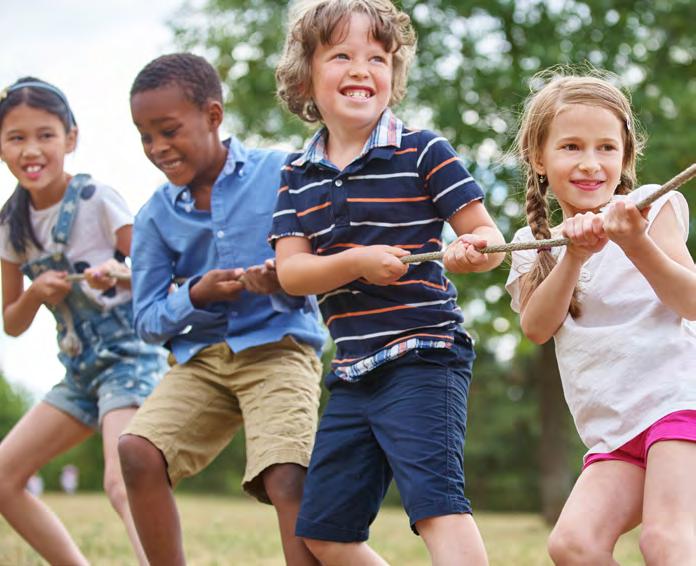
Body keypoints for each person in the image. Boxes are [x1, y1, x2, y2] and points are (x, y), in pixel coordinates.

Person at [271, 1, 506, 564]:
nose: (361, 69)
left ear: (393, 76)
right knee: (326, 532)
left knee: (435, 507)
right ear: (307, 76)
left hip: (425, 354)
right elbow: (292, 272)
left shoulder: (424, 150)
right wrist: (356, 262)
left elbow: (486, 240)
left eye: (377, 58)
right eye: (342, 55)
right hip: (353, 372)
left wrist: (473, 253)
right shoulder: (296, 176)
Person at [117, 52, 326, 566]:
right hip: (202, 360)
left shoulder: (283, 172)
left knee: (287, 473)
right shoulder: (154, 217)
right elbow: (145, 319)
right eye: (145, 136)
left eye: (168, 130)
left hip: (279, 348)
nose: (158, 148)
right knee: (137, 452)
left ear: (213, 116)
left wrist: (283, 278)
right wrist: (196, 294)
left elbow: (323, 264)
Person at [505, 72, 696, 565]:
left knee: (666, 540)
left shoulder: (651, 211)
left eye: (607, 148)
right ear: (538, 159)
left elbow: (691, 302)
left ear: (625, 157)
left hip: (679, 405)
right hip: (614, 431)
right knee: (574, 545)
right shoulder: (533, 249)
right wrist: (574, 257)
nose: (591, 163)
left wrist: (635, 244)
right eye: (571, 146)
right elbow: (536, 327)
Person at [0, 77, 165, 566]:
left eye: (45, 135)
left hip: (130, 358)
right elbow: (11, 323)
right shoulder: (11, 228)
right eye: (16, 137)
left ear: (70, 139)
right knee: (5, 478)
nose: (32, 149)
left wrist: (120, 274)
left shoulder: (96, 198)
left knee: (123, 479)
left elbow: (160, 276)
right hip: (79, 371)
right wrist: (34, 294)